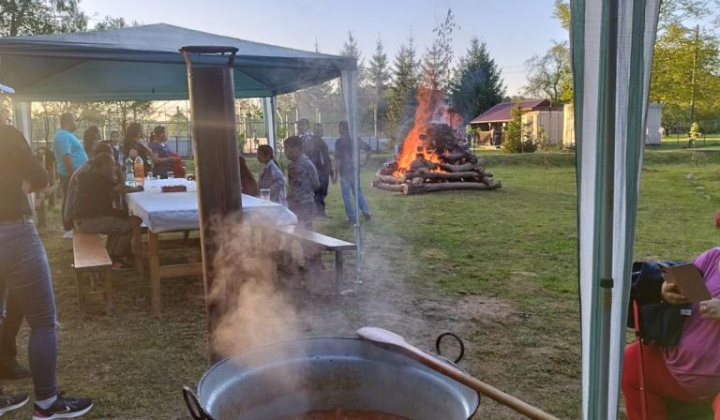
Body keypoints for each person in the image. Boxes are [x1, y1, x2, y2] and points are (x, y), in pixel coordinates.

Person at [0, 124, 93, 418]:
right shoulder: (6, 133)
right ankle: (46, 403)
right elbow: (41, 177)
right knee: (42, 322)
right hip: (12, 231)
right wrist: (24, 180)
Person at [622, 248, 720, 420]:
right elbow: (684, 289)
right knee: (632, 360)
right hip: (676, 365)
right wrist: (666, 292)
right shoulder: (712, 257)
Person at [73, 153, 141, 270]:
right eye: (112, 165)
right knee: (130, 225)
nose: (113, 168)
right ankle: (115, 258)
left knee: (121, 219)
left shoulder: (89, 175)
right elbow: (120, 188)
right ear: (104, 165)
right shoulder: (99, 178)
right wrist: (138, 189)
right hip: (88, 221)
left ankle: (112, 254)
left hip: (81, 219)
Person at [52, 113, 88, 239]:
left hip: (74, 174)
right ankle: (67, 229)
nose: (76, 123)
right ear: (69, 121)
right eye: (75, 120)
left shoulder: (67, 135)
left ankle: (73, 225)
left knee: (73, 199)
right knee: (69, 199)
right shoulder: (62, 136)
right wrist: (74, 175)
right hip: (70, 175)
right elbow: (66, 157)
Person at [335, 120, 372, 223]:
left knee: (346, 195)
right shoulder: (356, 139)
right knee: (357, 191)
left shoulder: (339, 142)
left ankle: (352, 217)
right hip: (355, 170)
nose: (339, 129)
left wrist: (335, 174)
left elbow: (338, 159)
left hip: (344, 171)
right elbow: (369, 150)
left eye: (339, 127)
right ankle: (366, 211)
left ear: (342, 128)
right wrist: (364, 162)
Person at [304, 123, 333, 218]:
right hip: (319, 171)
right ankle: (319, 212)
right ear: (315, 131)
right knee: (319, 192)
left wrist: (330, 171)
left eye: (322, 130)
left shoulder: (321, 142)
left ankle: (319, 211)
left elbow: (326, 158)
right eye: (319, 130)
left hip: (324, 170)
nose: (321, 132)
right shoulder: (313, 142)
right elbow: (316, 158)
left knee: (322, 192)